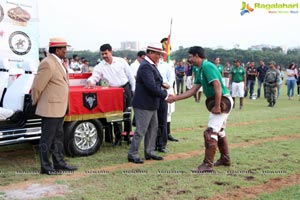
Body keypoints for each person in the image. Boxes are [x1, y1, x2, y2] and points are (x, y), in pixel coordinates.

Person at [167, 46, 233, 172]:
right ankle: (225, 158)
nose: (189, 59)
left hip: (223, 101)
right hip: (219, 101)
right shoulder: (199, 69)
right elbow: (192, 91)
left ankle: (208, 165)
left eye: (191, 56)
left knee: (210, 132)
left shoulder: (207, 66)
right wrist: (174, 98)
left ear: (197, 55)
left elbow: (217, 85)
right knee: (219, 131)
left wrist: (218, 105)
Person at [31, 38, 77, 175]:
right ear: (57, 50)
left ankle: (59, 163)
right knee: (47, 138)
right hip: (50, 108)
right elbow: (37, 86)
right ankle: (45, 166)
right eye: (64, 50)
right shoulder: (48, 63)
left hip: (58, 108)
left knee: (58, 137)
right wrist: (36, 102)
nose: (66, 52)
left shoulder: (58, 62)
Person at [87, 43, 136, 146]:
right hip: (113, 92)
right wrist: (90, 82)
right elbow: (94, 77)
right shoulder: (99, 66)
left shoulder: (121, 61)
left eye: (106, 53)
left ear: (111, 52)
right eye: (102, 54)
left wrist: (133, 89)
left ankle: (128, 136)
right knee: (115, 115)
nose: (104, 56)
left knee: (127, 113)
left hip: (125, 87)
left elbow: (130, 75)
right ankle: (118, 138)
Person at [127, 42, 168, 164]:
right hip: (144, 104)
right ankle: (132, 153)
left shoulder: (151, 65)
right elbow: (150, 86)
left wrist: (161, 84)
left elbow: (154, 81)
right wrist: (165, 95)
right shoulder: (146, 66)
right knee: (141, 130)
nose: (159, 56)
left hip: (151, 103)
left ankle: (149, 152)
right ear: (150, 53)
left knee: (153, 129)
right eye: (158, 54)